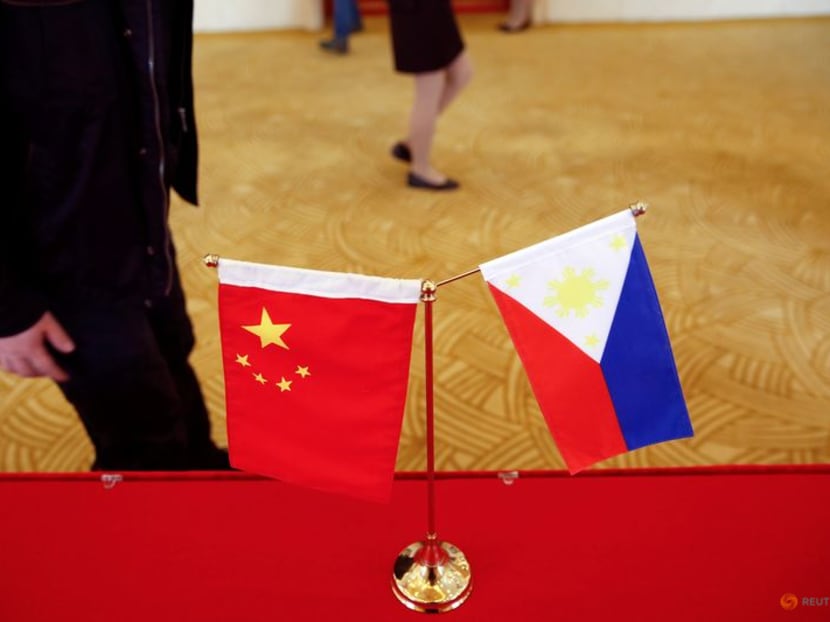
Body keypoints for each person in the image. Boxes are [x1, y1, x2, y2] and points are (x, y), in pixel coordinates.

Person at [0, 0, 229, 471]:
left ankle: (202, 472)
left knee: (173, 355)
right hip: (60, 253)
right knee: (141, 434)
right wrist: (7, 308)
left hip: (142, 222)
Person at [387, 0, 473, 191]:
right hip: (419, 9)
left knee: (462, 72)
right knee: (429, 88)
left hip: (434, 7)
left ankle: (413, 143)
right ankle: (420, 169)